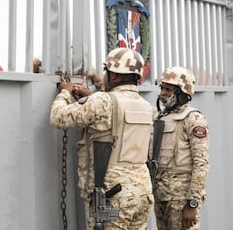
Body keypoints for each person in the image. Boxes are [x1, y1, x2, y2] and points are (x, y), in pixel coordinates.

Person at [50, 48, 154, 229]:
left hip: (113, 194)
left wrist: (64, 93)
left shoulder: (102, 102)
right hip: (142, 193)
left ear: (113, 76)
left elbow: (59, 117)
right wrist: (91, 98)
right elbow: (116, 117)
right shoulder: (146, 106)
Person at [149, 66, 209, 230]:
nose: (163, 93)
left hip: (181, 198)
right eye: (162, 88)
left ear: (182, 92)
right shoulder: (158, 116)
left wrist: (192, 203)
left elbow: (201, 163)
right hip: (161, 195)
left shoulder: (194, 119)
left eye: (168, 90)